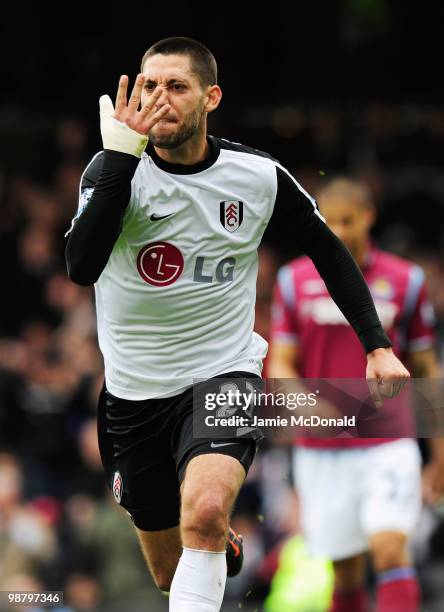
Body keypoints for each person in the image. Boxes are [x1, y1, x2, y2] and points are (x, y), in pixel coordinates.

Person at [65, 38, 409, 612]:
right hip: (133, 395)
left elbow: (329, 252)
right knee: (169, 572)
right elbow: (80, 266)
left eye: (176, 86)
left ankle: (209, 522)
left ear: (211, 96)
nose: (158, 99)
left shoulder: (257, 176)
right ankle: (213, 541)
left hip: (224, 374)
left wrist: (375, 345)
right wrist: (122, 159)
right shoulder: (113, 168)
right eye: (149, 85)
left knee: (200, 511)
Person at [269, 177, 444, 612]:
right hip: (323, 446)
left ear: (368, 216)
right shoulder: (293, 281)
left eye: (348, 220)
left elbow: (425, 369)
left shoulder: (407, 281)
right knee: (344, 569)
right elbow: (280, 364)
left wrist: (440, 451)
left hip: (389, 441)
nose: (340, 231)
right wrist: (302, 402)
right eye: (331, 222)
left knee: (389, 549)